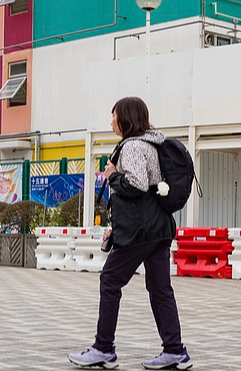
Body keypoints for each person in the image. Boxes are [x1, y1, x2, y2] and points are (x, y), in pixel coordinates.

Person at [69, 97, 191, 370]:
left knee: (110, 280)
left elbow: (136, 184)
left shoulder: (134, 146)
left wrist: (112, 175)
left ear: (124, 118)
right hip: (158, 227)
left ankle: (103, 348)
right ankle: (174, 351)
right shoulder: (150, 143)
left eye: (113, 115)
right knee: (160, 289)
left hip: (140, 229)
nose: (110, 121)